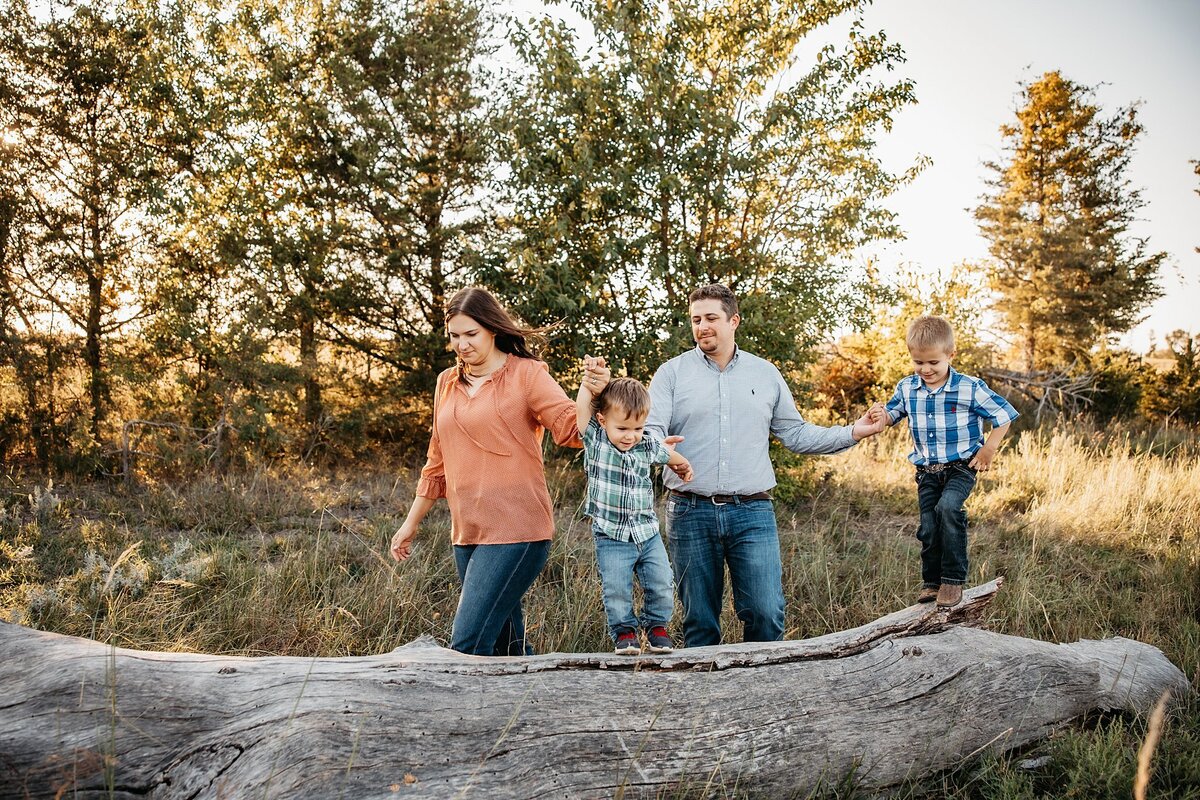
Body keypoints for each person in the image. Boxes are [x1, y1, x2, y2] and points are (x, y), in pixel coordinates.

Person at [642, 283, 887, 647]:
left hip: (752, 511)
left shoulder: (765, 374)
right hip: (689, 510)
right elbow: (651, 430)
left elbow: (796, 434)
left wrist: (854, 431)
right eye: (696, 320)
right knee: (699, 621)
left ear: (734, 320)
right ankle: (706, 698)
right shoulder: (671, 374)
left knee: (766, 612)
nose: (702, 327)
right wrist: (661, 449)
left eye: (711, 318)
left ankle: (760, 694)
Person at [389, 287, 609, 656]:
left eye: (471, 334)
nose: (462, 345)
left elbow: (570, 429)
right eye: (454, 336)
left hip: (517, 530)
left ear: (492, 329)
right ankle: (526, 711)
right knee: (507, 648)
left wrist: (589, 392)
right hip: (468, 532)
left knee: (467, 645)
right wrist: (411, 523)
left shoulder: (526, 375)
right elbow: (436, 460)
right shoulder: (446, 383)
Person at [875, 315, 1019, 609]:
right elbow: (892, 414)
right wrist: (881, 416)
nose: (925, 369)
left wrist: (989, 449)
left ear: (950, 356)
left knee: (948, 508)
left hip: (961, 467)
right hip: (926, 471)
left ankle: (953, 579)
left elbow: (1003, 415)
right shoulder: (907, 387)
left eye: (933, 363)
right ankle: (931, 582)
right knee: (928, 526)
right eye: (918, 362)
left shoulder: (969, 387)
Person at [576, 363, 695, 655]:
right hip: (612, 534)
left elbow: (667, 453)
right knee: (616, 589)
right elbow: (582, 410)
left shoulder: (645, 445)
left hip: (647, 532)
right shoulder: (597, 440)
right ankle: (625, 633)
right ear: (602, 420)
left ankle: (656, 628)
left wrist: (682, 464)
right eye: (623, 428)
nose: (630, 436)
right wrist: (587, 384)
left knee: (662, 582)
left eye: (638, 428)